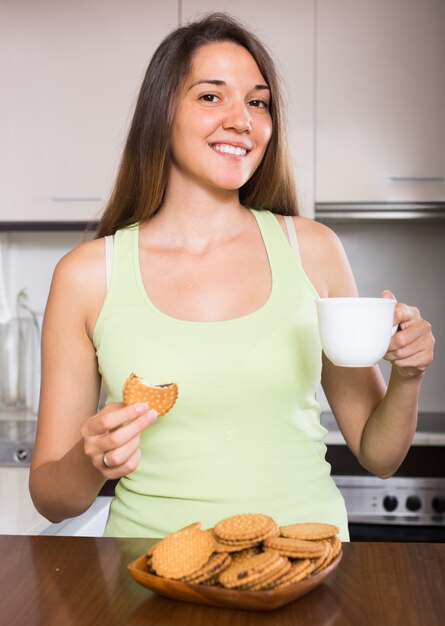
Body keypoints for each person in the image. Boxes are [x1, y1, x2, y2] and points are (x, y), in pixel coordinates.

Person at [29, 13, 434, 541]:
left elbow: (378, 455)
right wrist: (92, 461)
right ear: (162, 112)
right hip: (148, 579)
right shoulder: (87, 276)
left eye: (258, 101)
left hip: (305, 564)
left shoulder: (312, 250)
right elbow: (51, 499)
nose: (242, 119)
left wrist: (409, 376)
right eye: (211, 96)